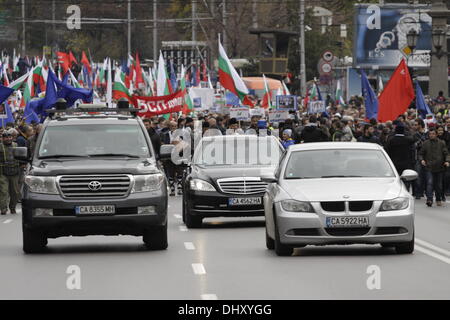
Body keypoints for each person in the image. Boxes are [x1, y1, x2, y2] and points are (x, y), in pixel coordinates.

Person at [419, 128, 450, 207]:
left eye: (433, 134)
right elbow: (421, 153)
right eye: (430, 134)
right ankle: (429, 199)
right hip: (429, 167)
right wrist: (422, 160)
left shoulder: (441, 143)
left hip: (439, 167)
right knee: (430, 183)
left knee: (439, 185)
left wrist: (447, 161)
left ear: (436, 134)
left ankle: (438, 199)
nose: (431, 135)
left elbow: (446, 153)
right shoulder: (426, 143)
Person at [385, 124, 415, 190]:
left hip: (394, 163)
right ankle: (405, 190)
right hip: (406, 163)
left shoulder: (391, 140)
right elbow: (412, 151)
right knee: (406, 180)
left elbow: (387, 151)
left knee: (395, 179)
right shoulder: (408, 140)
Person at [0, 132, 21, 215]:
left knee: (15, 192)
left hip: (15, 172)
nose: (8, 139)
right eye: (6, 137)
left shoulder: (16, 145)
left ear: (12, 137)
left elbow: (21, 156)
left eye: (10, 137)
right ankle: (3, 209)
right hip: (2, 172)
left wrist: (23, 163)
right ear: (2, 138)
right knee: (3, 191)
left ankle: (12, 207)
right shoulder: (0, 146)